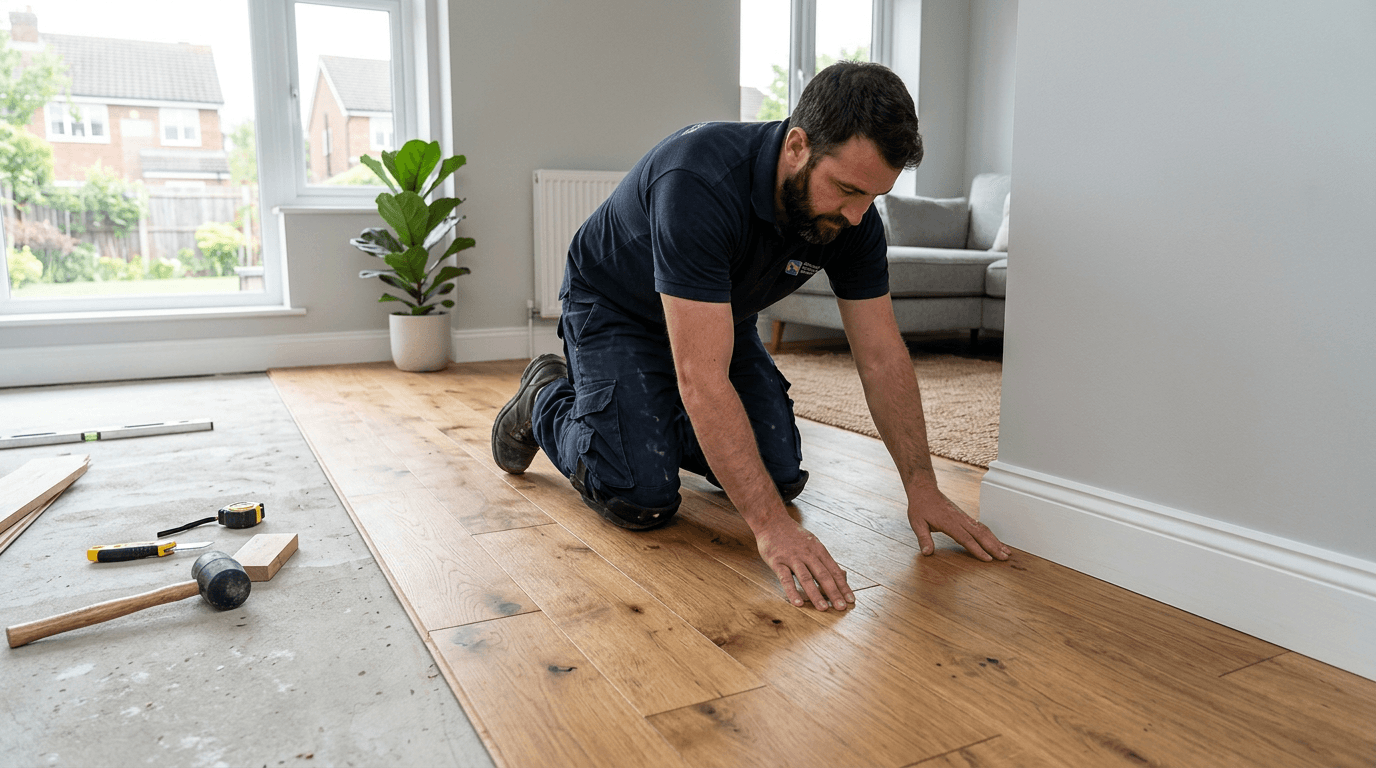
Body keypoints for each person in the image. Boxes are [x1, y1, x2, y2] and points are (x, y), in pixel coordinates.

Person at [492, 61, 1010, 613]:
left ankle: (642, 416)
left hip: (718, 317)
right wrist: (771, 530)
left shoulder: (853, 219)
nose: (859, 216)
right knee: (639, 495)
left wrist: (922, 485)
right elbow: (702, 375)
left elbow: (882, 356)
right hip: (617, 307)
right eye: (848, 190)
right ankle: (545, 397)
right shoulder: (697, 182)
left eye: (874, 198)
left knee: (780, 476)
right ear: (796, 145)